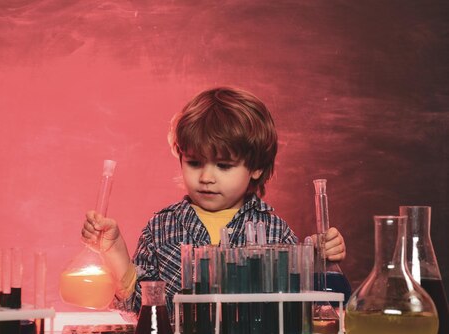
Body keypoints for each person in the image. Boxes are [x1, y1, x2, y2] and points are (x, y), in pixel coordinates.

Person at [80, 86, 346, 318]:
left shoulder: (276, 232)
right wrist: (115, 252)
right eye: (194, 163)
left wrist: (317, 259)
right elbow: (140, 310)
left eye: (224, 165)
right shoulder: (161, 228)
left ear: (256, 167)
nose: (206, 177)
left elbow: (305, 307)